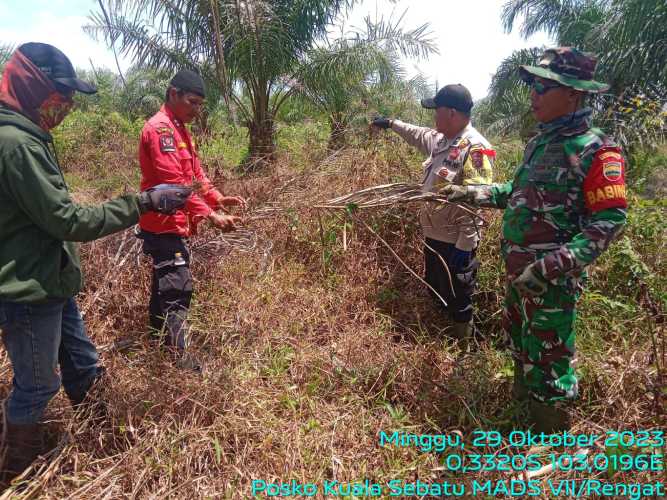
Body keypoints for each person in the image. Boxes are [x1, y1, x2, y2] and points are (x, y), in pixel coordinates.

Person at [0, 43, 191, 486]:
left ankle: (106, 439)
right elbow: (66, 219)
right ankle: (16, 473)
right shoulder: (17, 145)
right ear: (33, 87)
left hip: (50, 279)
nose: (65, 105)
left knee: (83, 363)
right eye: (60, 94)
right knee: (37, 385)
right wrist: (143, 202)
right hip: (28, 289)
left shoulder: (26, 134)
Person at [441, 48, 628, 432]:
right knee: (522, 346)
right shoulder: (540, 143)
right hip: (518, 274)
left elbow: (609, 220)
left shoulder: (597, 149)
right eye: (532, 86)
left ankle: (550, 437)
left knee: (550, 357)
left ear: (574, 94)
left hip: (550, 281)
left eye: (543, 87)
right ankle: (522, 419)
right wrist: (475, 193)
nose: (533, 95)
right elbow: (521, 192)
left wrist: (549, 268)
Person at [137, 69, 245, 370]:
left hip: (176, 224)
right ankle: (180, 361)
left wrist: (217, 198)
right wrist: (210, 215)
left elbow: (195, 177)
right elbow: (175, 186)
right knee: (177, 289)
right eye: (192, 102)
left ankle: (156, 344)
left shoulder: (180, 129)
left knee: (163, 284)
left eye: (200, 105)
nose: (196, 110)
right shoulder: (160, 130)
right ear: (173, 94)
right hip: (163, 224)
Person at [371, 84, 495, 341]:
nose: (433, 117)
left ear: (451, 113)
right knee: (437, 290)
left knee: (458, 298)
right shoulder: (442, 140)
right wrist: (391, 123)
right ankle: (441, 340)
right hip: (434, 236)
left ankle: (463, 348)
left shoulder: (476, 149)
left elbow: (476, 202)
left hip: (456, 243)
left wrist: (465, 246)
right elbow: (417, 133)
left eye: (436, 111)